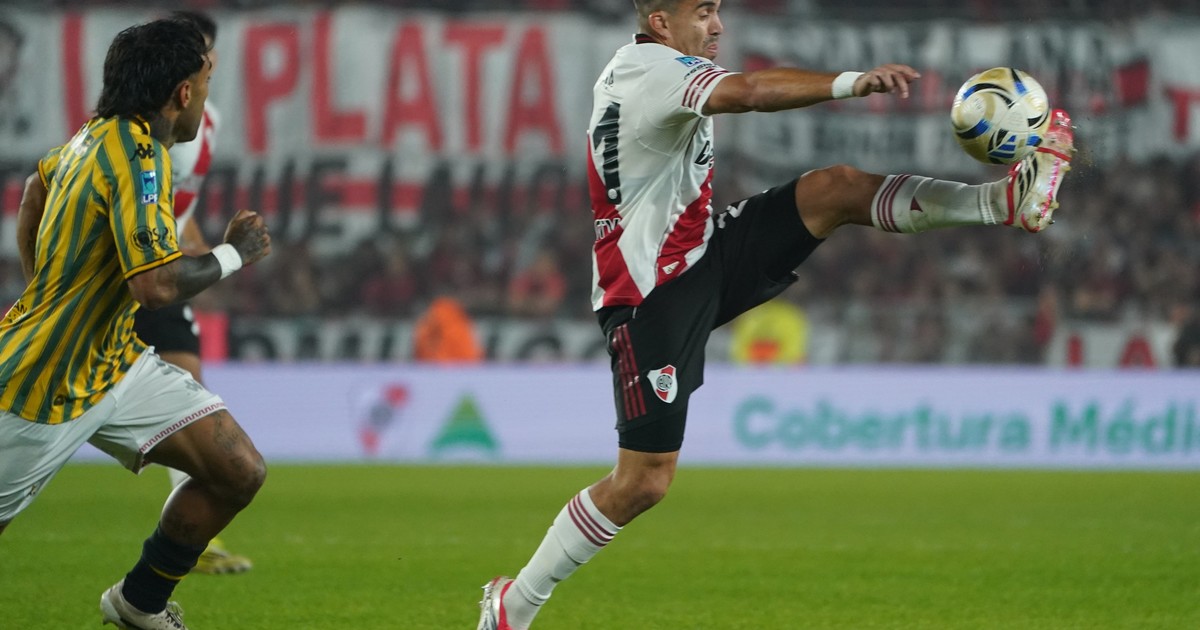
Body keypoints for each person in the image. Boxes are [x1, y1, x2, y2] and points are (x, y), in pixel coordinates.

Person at [476, 1, 1075, 628]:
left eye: (717, 10)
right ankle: (515, 603)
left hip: (699, 252)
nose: (717, 26)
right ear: (661, 23)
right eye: (703, 12)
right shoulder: (649, 71)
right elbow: (753, 92)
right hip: (649, 293)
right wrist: (852, 82)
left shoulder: (655, 68)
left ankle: (1003, 201)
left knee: (834, 189)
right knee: (644, 481)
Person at [1, 18, 271, 630]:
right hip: (38, 384)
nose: (206, 96)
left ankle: (138, 604)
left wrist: (44, 288)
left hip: (113, 364)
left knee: (237, 469)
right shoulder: (141, 156)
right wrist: (235, 253)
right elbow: (155, 287)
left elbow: (35, 187)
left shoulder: (91, 137)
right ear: (183, 92)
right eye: (205, 82)